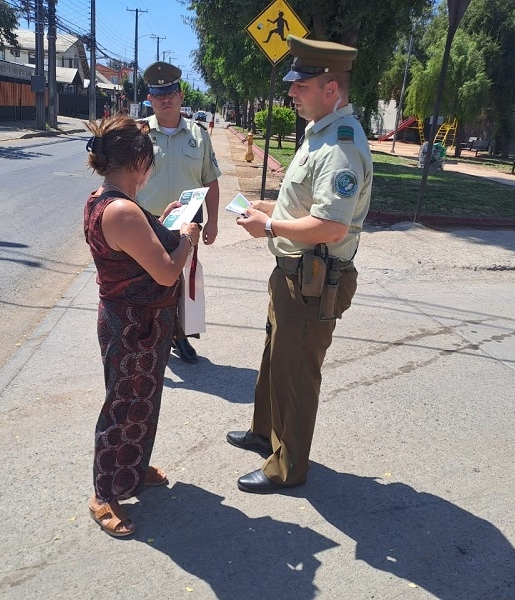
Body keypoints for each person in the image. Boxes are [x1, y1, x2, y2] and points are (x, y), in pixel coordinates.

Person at [231, 36, 373, 494]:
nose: (291, 92)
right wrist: (269, 207)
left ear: (331, 88)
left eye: (302, 84)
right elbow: (308, 203)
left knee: (296, 373)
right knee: (276, 357)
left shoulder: (340, 147)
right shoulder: (322, 132)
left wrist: (271, 227)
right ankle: (264, 435)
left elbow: (332, 227)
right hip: (293, 272)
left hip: (314, 279)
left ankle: (287, 467)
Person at [83, 114, 200, 536]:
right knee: (122, 404)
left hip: (140, 324)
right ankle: (103, 494)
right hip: (132, 326)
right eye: (148, 162)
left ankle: (130, 469)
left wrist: (165, 218)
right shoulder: (121, 211)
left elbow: (141, 240)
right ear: (137, 162)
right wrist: (186, 235)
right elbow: (167, 271)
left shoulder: (109, 201)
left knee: (142, 400)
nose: (150, 170)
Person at [137, 61, 222, 364]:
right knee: (149, 281)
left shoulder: (199, 135)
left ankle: (179, 336)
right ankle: (149, 336)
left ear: (181, 95)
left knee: (183, 283)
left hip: (188, 224)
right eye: (159, 94)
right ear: (150, 97)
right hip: (148, 222)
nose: (166, 99)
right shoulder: (139, 134)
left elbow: (210, 180)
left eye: (171, 92)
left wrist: (212, 222)